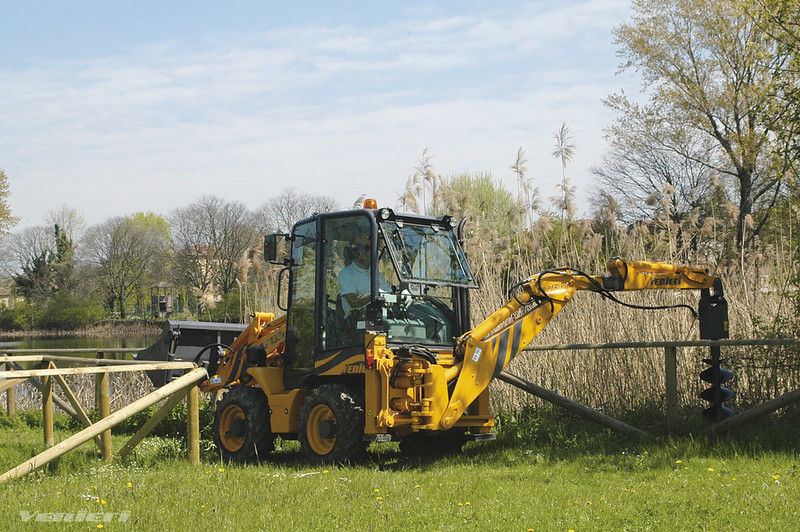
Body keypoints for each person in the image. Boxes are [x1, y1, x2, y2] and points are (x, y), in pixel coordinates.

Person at [337, 241, 390, 316]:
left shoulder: (377, 274)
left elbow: (389, 294)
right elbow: (354, 301)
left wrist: (401, 296)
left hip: (379, 318)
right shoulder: (346, 273)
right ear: (359, 253)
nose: (375, 253)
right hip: (355, 322)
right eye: (370, 249)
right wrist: (375, 294)